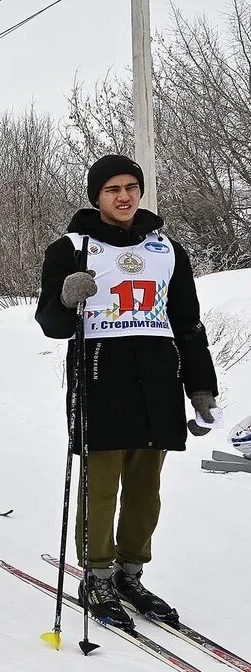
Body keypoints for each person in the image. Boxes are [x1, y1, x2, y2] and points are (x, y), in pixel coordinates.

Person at [35, 154, 218, 627]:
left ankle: (129, 573)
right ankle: (95, 576)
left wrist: (200, 387)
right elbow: (51, 325)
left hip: (158, 381)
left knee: (145, 488)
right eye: (113, 188)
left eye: (131, 187)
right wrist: (65, 298)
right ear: (96, 195)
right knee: (101, 487)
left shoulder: (168, 250)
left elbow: (187, 322)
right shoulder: (70, 249)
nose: (124, 196)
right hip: (101, 377)